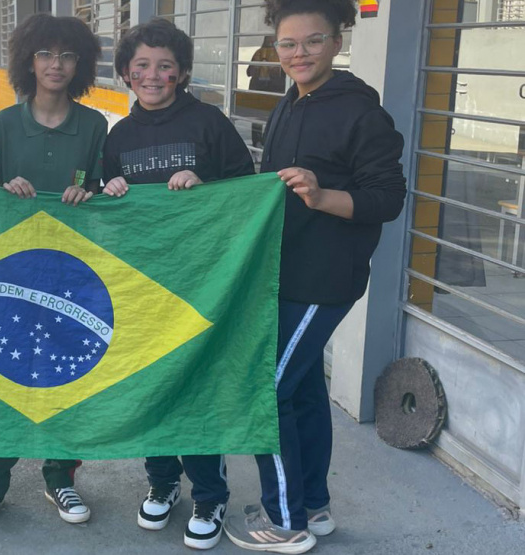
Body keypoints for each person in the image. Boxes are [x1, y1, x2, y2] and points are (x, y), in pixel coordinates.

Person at [223, 1, 406, 553]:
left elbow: (388, 198)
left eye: (312, 41)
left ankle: (285, 521)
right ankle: (314, 507)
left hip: (325, 279)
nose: (298, 53)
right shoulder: (289, 102)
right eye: (287, 44)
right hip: (285, 271)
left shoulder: (361, 114)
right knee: (301, 391)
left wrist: (322, 194)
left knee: (266, 390)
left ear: (338, 40)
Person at [100, 18, 254, 550]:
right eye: (141, 65)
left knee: (196, 387)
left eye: (165, 65)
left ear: (182, 71)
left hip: (201, 283)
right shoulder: (118, 135)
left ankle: (209, 494)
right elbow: (101, 208)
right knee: (153, 385)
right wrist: (109, 186)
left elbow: (246, 191)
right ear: (125, 73)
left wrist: (205, 185)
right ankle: (162, 482)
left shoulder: (209, 122)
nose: (153, 75)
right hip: (140, 287)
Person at [0, 13, 106, 534]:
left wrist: (91, 193)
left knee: (64, 378)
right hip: (9, 273)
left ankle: (60, 475)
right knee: (0, 375)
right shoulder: (3, 122)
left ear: (81, 64)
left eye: (67, 55)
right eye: (45, 54)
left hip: (70, 276)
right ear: (28, 60)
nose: (56, 65)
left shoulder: (94, 126)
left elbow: (106, 195)